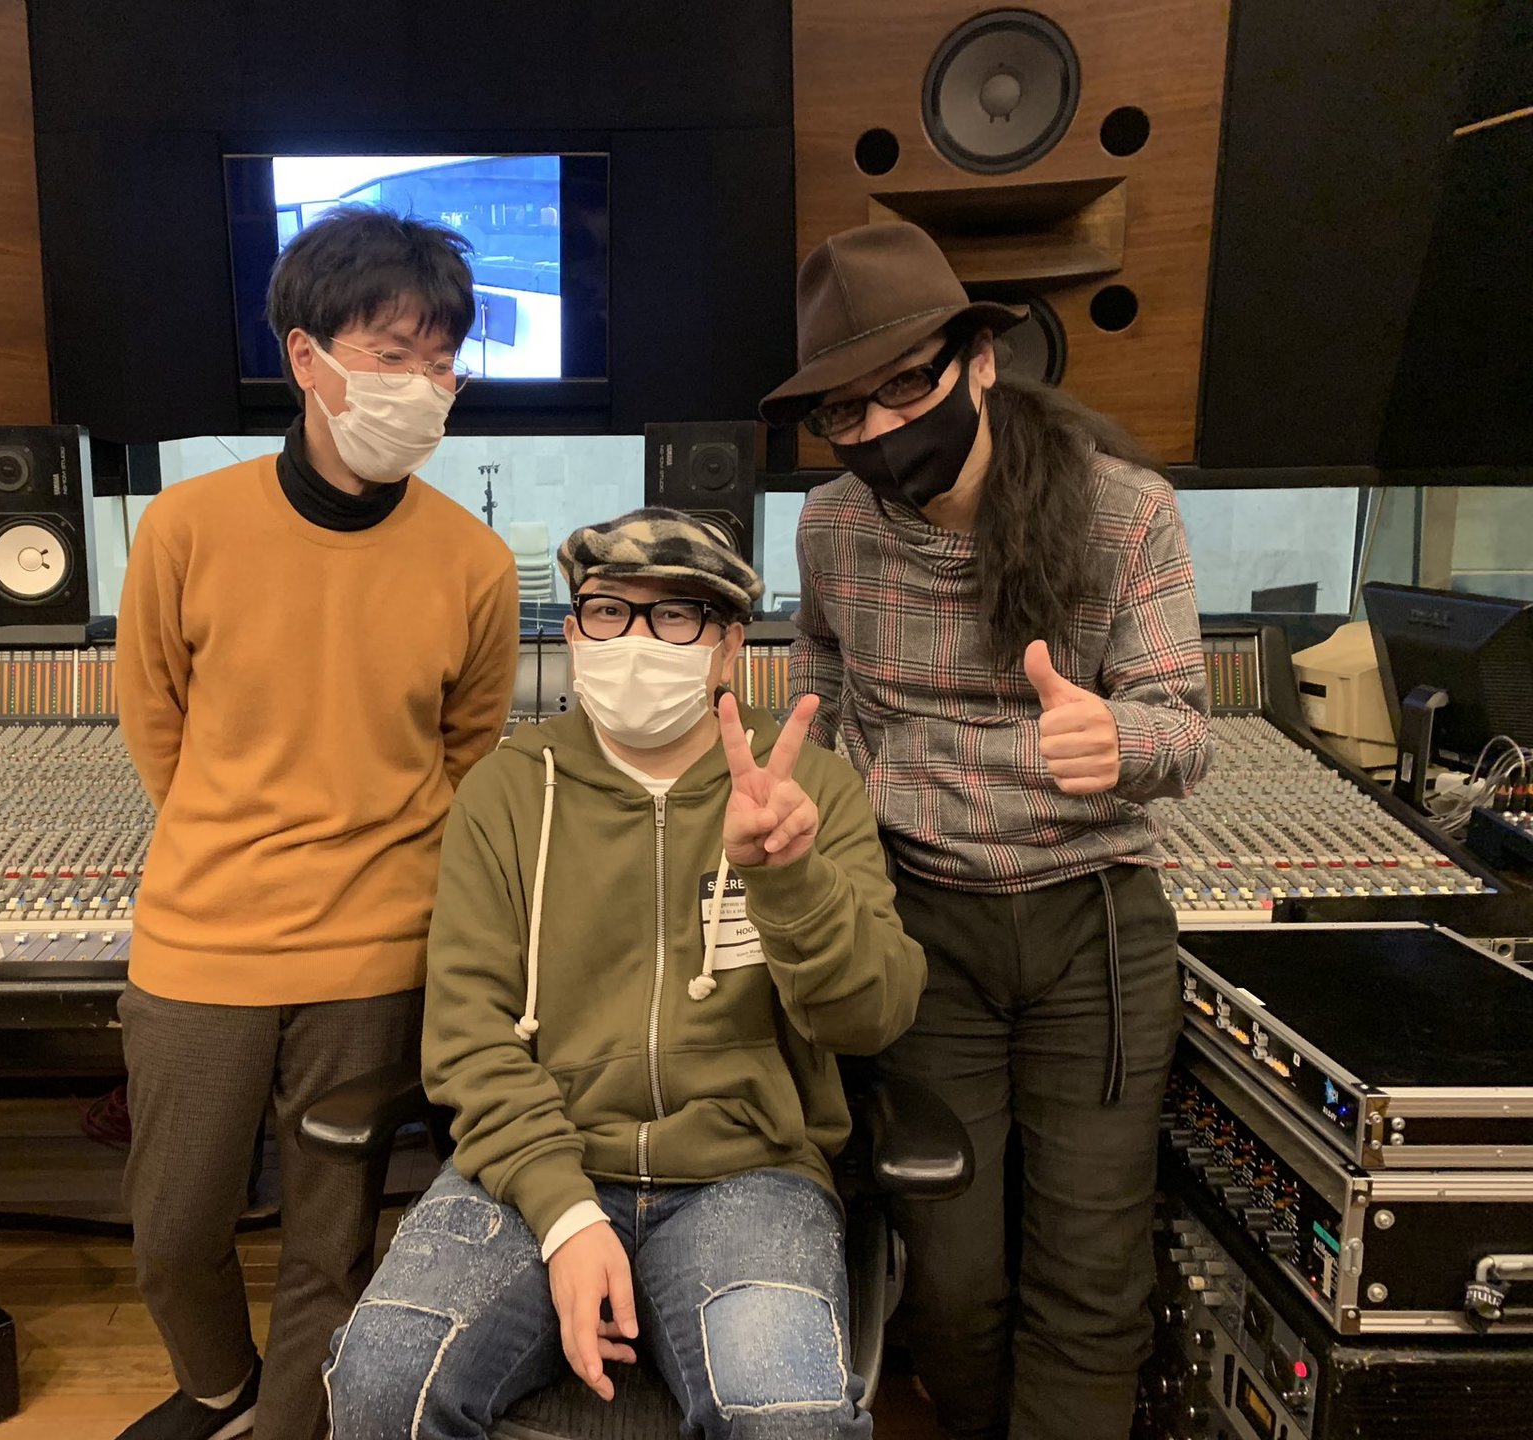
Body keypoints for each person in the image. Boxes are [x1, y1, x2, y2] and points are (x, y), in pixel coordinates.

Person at [322, 509, 929, 1439]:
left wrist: (790, 881)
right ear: (574, 634)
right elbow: (469, 1035)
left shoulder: (808, 789)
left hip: (746, 1172)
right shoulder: (506, 792)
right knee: (380, 1384)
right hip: (530, 1168)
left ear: (729, 646)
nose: (636, 641)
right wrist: (565, 1215)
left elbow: (872, 1016)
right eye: (609, 611)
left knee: (787, 1418)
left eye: (675, 615)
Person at [759, 221, 1212, 1440]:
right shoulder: (832, 526)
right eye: (844, 411)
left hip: (1093, 929)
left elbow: (1185, 730)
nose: (877, 429)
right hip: (922, 925)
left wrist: (1120, 740)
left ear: (980, 362)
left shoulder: (1125, 511)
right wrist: (821, 800)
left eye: (906, 386)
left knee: (1091, 1267)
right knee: (949, 1279)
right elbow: (822, 681)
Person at [114, 205, 521, 1440]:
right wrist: (233, 837)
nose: (423, 387)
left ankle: (289, 1424)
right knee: (174, 1227)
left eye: (442, 362)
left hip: (377, 952)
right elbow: (155, 720)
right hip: (202, 943)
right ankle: (221, 1391)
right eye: (392, 356)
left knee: (330, 1244)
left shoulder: (474, 563)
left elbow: (466, 750)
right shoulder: (185, 527)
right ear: (307, 357)